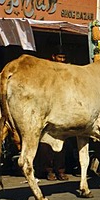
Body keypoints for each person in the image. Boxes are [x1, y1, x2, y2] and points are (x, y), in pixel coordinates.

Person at [36, 51, 69, 181]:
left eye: (63, 57)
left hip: (62, 113)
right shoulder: (46, 70)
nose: (61, 60)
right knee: (46, 146)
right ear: (53, 56)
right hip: (47, 112)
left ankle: (60, 171)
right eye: (59, 57)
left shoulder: (66, 72)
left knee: (61, 144)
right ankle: (49, 171)